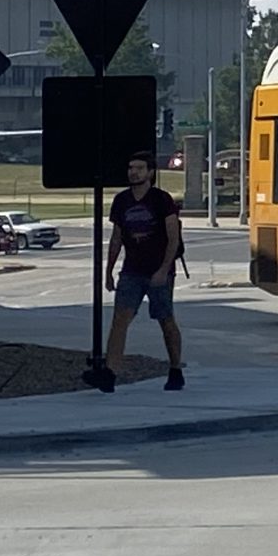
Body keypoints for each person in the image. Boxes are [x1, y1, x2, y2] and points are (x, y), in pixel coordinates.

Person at [96, 151, 185, 392]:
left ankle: (175, 368)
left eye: (139, 168)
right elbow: (116, 238)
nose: (133, 172)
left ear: (150, 172)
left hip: (159, 271)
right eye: (130, 167)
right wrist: (109, 271)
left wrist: (164, 270)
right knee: (120, 320)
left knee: (166, 320)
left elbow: (173, 238)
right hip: (131, 272)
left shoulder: (161, 200)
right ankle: (110, 373)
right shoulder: (122, 201)